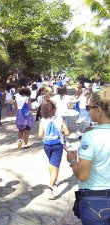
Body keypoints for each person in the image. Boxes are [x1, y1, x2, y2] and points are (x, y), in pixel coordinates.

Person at [66, 86, 110, 224]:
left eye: (88, 107)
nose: (87, 110)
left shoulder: (91, 137)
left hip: (96, 200)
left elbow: (82, 175)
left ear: (99, 109)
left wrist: (72, 160)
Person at [38, 101, 70, 199]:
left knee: (52, 164)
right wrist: (61, 132)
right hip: (57, 145)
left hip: (47, 145)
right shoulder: (60, 119)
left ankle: (53, 181)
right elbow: (67, 133)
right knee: (55, 166)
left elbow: (40, 135)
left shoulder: (42, 120)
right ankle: (51, 186)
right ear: (54, 109)